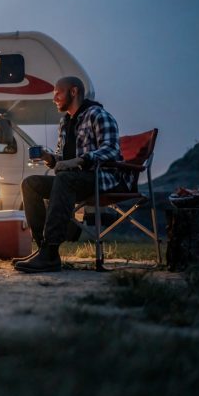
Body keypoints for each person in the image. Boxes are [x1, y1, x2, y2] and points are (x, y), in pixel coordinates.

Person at [14, 76, 132, 273]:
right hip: (72, 180)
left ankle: (50, 253)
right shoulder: (66, 122)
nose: (54, 99)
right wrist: (49, 158)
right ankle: (44, 249)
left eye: (58, 93)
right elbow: (62, 159)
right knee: (30, 183)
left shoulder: (98, 115)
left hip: (99, 177)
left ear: (74, 91)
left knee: (65, 178)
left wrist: (80, 160)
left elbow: (111, 149)